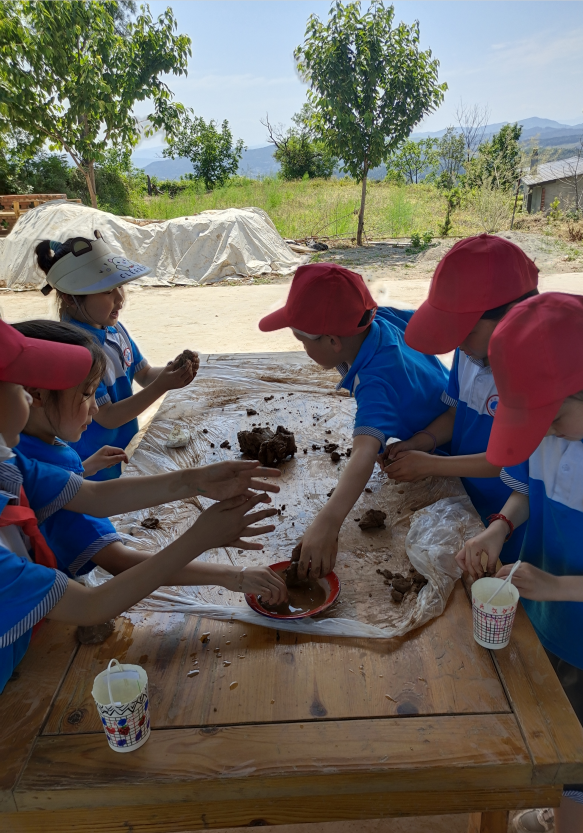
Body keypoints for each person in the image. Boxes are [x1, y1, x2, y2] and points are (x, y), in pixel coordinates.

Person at [0, 320, 285, 694]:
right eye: (17, 387)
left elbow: (95, 497)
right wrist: (203, 540)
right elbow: (90, 606)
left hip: (30, 644)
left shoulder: (10, 466)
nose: (27, 396)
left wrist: (198, 479)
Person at [456, 293, 583, 833]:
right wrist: (499, 526)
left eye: (553, 416)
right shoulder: (549, 430)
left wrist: (556, 585)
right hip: (550, 619)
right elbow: (525, 489)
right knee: (556, 725)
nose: (545, 430)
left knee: (577, 751)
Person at [258, 262, 449, 578]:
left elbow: (364, 451)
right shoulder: (377, 318)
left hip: (448, 448)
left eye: (303, 342)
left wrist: (327, 522)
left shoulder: (376, 382)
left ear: (333, 341)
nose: (303, 349)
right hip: (439, 423)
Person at [379, 234, 539, 563]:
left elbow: (508, 463)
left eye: (465, 332)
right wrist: (423, 441)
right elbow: (456, 414)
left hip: (512, 516)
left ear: (514, 313)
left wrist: (433, 464)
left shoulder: (540, 380)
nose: (459, 343)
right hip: (467, 497)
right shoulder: (469, 354)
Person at [35, 231, 200, 480]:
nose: (120, 299)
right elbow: (108, 417)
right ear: (70, 297)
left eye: (119, 286)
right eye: (107, 291)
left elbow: (143, 374)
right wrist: (163, 386)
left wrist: (172, 371)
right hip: (92, 464)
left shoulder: (114, 330)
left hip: (122, 450)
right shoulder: (78, 350)